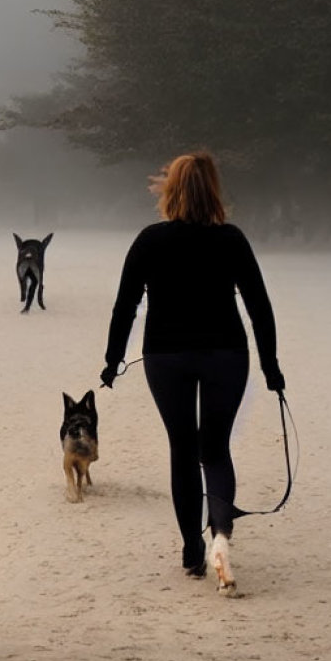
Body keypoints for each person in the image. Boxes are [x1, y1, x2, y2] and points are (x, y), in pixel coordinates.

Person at [99, 150, 284, 596]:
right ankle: (220, 533)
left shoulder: (150, 240)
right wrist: (271, 366)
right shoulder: (231, 240)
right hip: (225, 353)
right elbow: (259, 307)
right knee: (215, 449)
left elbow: (125, 304)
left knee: (182, 450)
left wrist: (112, 360)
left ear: (171, 190)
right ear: (214, 190)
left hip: (167, 356)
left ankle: (190, 548)